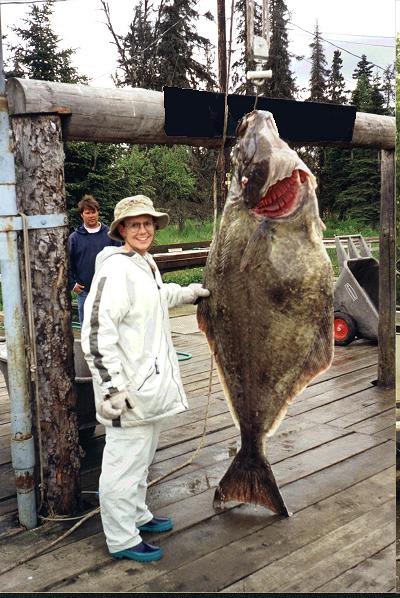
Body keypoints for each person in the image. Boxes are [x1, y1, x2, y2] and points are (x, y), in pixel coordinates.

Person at [81, 195, 210, 563]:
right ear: (121, 229)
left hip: (148, 390)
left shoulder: (145, 263)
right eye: (134, 224)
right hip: (125, 393)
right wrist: (113, 392)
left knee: (141, 459)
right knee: (122, 466)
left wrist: (188, 293)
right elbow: (95, 335)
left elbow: (156, 296)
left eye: (148, 223)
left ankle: (138, 515)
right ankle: (121, 538)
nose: (143, 230)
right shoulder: (114, 270)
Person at [68, 194, 121, 323]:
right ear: (82, 215)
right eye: (87, 213)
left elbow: (120, 260)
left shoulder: (110, 234)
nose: (91, 215)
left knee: (111, 327)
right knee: (87, 330)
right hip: (85, 292)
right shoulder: (74, 238)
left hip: (109, 291)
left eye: (93, 212)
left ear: (98, 212)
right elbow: (67, 264)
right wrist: (72, 284)